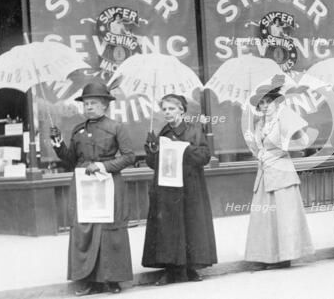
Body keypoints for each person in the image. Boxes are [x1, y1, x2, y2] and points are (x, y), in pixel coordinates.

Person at [49, 82, 135, 296]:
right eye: (86, 103)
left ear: (105, 105)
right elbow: (70, 162)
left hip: (108, 183)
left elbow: (129, 157)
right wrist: (58, 143)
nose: (88, 107)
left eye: (93, 103)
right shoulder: (77, 130)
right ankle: (88, 281)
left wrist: (103, 166)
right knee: (85, 230)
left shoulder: (116, 127)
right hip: (84, 185)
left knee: (108, 230)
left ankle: (112, 280)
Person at [142, 94, 217, 285]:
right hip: (167, 188)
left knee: (190, 225)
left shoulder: (193, 131)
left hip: (190, 186)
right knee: (169, 228)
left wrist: (184, 149)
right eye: (164, 109)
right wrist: (151, 149)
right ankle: (171, 269)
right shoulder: (162, 133)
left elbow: (205, 156)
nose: (167, 112)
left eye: (171, 109)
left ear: (182, 110)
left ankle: (190, 268)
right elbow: (153, 164)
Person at [244, 75, 314, 269]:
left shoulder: (285, 118)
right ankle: (268, 257)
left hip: (282, 174)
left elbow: (304, 142)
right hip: (265, 174)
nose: (265, 106)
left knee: (284, 217)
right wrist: (256, 150)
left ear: (276, 102)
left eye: (268, 102)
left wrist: (285, 146)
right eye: (261, 103)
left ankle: (285, 257)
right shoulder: (258, 125)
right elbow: (260, 148)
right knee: (266, 218)